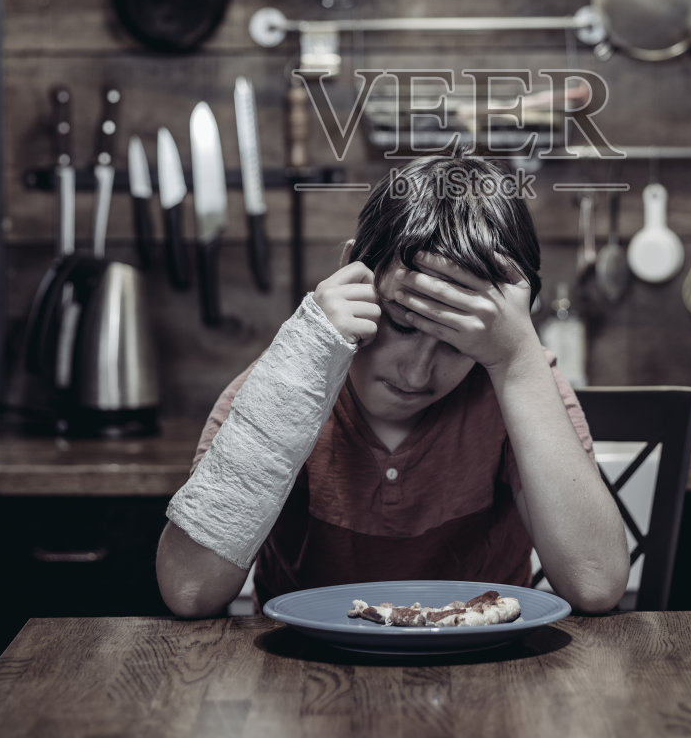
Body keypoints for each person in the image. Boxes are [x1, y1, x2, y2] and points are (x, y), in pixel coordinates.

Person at [156, 153, 630, 618]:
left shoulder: (520, 380)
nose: (416, 374)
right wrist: (311, 350)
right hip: (301, 680)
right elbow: (189, 588)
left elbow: (595, 583)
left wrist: (520, 362)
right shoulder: (282, 382)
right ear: (351, 272)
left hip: (489, 678)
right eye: (402, 326)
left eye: (457, 344)